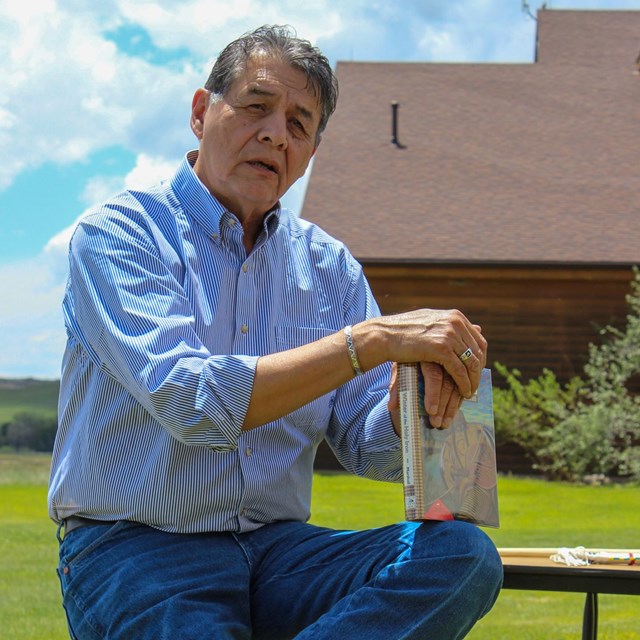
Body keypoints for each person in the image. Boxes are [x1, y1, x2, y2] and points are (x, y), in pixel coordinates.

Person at [48, 24, 502, 640]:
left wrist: (404, 405)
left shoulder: (331, 268)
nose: (273, 133)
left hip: (282, 553)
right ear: (201, 112)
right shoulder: (120, 235)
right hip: (136, 549)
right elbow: (192, 400)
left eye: (299, 124)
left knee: (461, 556)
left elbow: (364, 446)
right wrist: (368, 343)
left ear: (312, 151)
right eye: (256, 107)